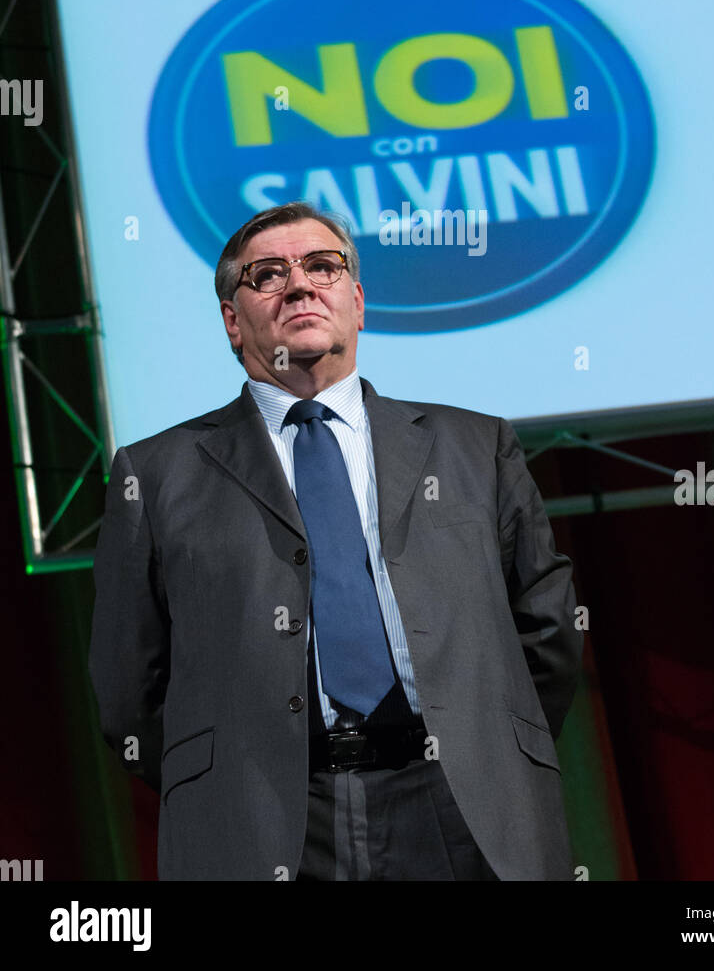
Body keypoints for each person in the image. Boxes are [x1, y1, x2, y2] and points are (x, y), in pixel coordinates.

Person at [89, 201, 583, 881]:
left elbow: (547, 632)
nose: (299, 284)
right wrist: (233, 783)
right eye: (267, 274)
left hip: (462, 807)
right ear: (233, 320)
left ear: (357, 299)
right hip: (265, 826)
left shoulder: (475, 446)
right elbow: (128, 688)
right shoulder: (157, 473)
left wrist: (484, 747)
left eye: (322, 265)